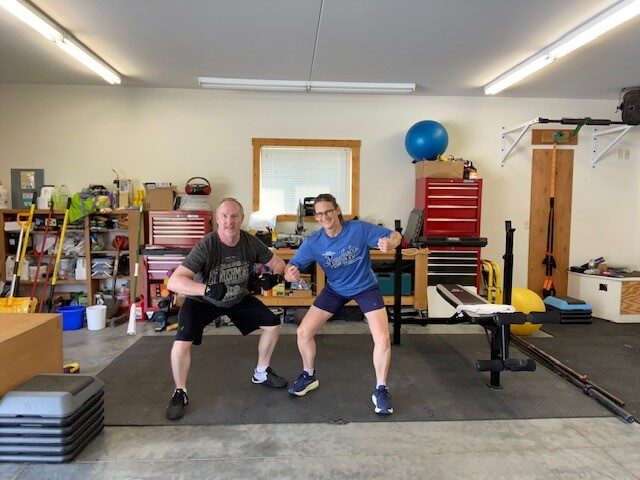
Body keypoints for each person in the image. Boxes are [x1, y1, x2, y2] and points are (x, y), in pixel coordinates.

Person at [165, 197, 288, 420]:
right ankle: (180, 391)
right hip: (203, 300)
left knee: (273, 325)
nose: (229, 221)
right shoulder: (207, 245)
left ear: (241, 219)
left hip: (237, 298)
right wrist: (206, 289)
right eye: (224, 216)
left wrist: (275, 276)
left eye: (234, 216)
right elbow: (174, 281)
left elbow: (278, 263)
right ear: (217, 219)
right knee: (182, 342)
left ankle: (261, 372)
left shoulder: (250, 242)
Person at [284, 193, 402, 415]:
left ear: (337, 210)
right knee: (303, 332)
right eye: (319, 214)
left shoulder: (358, 229)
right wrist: (290, 272)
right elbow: (292, 266)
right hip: (336, 289)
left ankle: (381, 389)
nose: (325, 217)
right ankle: (309, 375)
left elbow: (395, 236)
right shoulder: (314, 242)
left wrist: (391, 243)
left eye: (328, 211)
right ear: (316, 217)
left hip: (365, 286)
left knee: (382, 338)